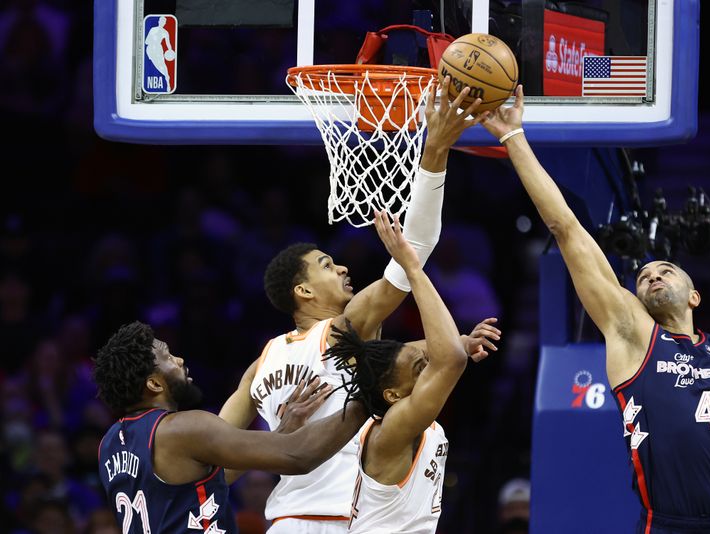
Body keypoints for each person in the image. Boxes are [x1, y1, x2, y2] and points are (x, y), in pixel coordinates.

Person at [481, 87, 710, 534]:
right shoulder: (634, 335)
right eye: (644, 275)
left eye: (666, 269)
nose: (652, 276)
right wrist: (513, 135)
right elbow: (566, 228)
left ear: (694, 295)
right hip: (666, 526)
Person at [218, 78, 494, 533]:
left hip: (287, 520)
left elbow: (220, 466)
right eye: (326, 265)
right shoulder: (344, 328)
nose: (343, 267)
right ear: (303, 292)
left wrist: (279, 436)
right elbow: (415, 251)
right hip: (342, 517)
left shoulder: (261, 364)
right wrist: (435, 153)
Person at [93, 321, 367, 534]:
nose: (179, 360)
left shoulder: (109, 445)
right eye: (167, 357)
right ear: (154, 384)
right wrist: (367, 401)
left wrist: (281, 433)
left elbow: (204, 483)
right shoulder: (184, 429)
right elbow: (299, 456)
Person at [324, 210, 501, 533]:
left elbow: (441, 351)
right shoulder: (393, 428)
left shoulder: (397, 410)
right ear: (392, 393)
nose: (428, 365)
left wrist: (461, 341)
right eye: (419, 368)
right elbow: (448, 359)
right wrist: (413, 268)